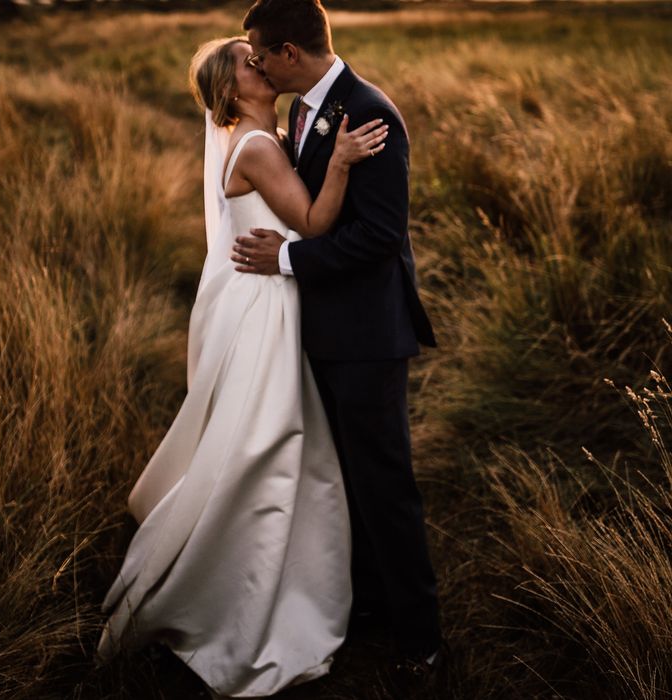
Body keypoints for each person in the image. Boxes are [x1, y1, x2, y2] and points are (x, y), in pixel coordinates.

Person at [95, 35, 388, 698]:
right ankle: (239, 594)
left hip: (267, 301)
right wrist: (340, 160)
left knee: (270, 440)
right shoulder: (256, 146)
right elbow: (312, 225)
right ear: (231, 93)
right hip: (264, 313)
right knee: (268, 442)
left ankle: (281, 576)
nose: (263, 64)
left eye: (262, 56)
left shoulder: (269, 134)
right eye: (250, 64)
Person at [231, 0, 443, 672]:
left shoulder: (369, 110)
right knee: (347, 480)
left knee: (384, 483)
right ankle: (372, 605)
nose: (258, 66)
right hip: (326, 328)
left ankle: (421, 641)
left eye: (262, 55)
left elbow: (380, 237)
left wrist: (286, 259)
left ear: (290, 53)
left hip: (368, 333)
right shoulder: (304, 110)